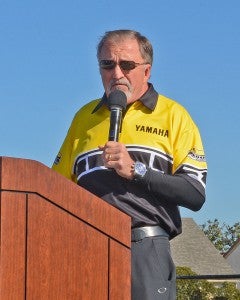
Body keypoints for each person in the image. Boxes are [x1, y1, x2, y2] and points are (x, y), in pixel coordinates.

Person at [52, 29, 207, 299]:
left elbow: (194, 193)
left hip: (144, 248)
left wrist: (137, 170)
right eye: (107, 64)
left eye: (127, 65)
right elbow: (55, 190)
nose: (117, 73)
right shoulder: (83, 118)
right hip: (85, 248)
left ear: (146, 71)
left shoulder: (174, 115)